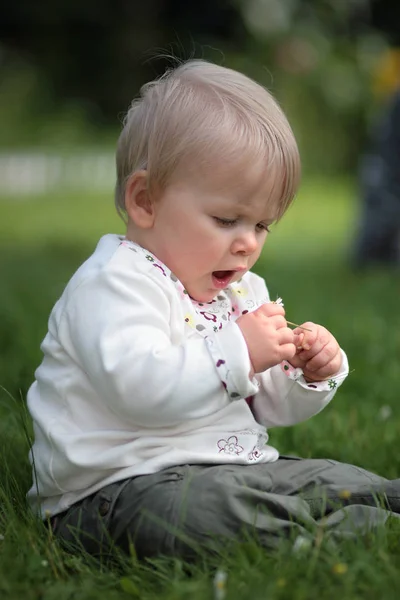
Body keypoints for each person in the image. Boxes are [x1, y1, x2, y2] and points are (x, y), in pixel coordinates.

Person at [27, 60, 400, 561]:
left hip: (233, 467)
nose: (246, 244)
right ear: (146, 200)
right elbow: (141, 390)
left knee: (326, 477)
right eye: (227, 219)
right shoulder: (113, 285)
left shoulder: (241, 290)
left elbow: (268, 406)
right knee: (204, 512)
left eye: (263, 226)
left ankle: (373, 503)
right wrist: (240, 350)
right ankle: (349, 530)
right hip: (117, 491)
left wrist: (303, 372)